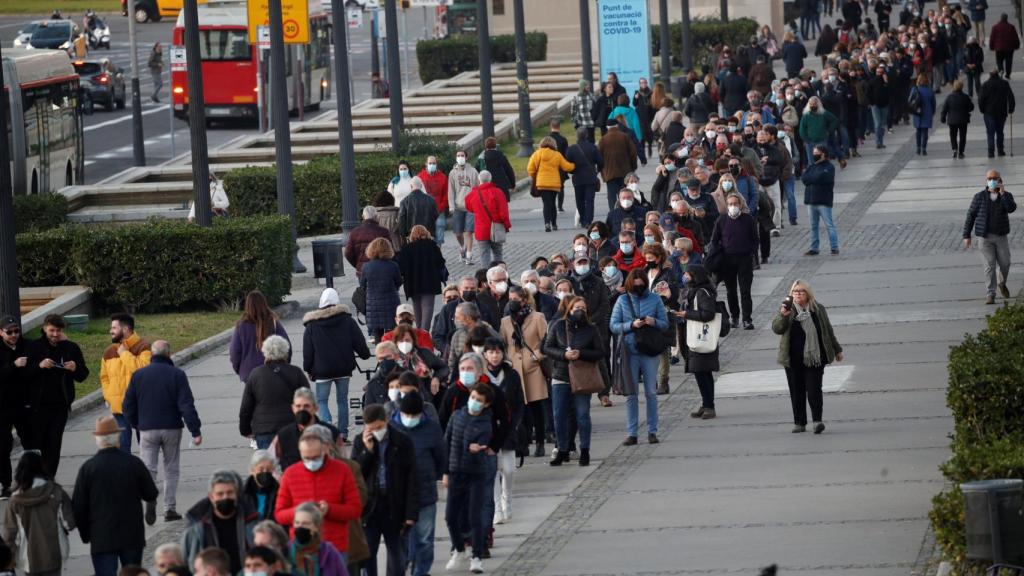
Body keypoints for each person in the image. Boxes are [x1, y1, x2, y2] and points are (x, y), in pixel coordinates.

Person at [122, 340, 202, 524]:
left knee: (149, 468)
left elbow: (127, 406)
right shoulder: (177, 374)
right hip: (172, 427)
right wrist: (195, 430)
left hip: (147, 428)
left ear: (152, 354)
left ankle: (150, 499)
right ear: (168, 354)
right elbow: (186, 405)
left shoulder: (138, 375)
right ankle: (169, 509)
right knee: (171, 469)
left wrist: (137, 423)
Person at [72, 416, 159, 576]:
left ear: (98, 439)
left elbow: (78, 507)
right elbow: (151, 493)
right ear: (117, 437)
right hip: (132, 535)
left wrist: (86, 534)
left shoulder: (88, 468)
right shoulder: (133, 463)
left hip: (102, 537)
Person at [275, 426, 362, 560]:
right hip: (302, 548)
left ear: (325, 450)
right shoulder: (290, 474)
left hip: (335, 547)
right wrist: (298, 512)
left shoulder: (342, 471)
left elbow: (355, 509)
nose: (311, 462)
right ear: (300, 453)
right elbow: (280, 514)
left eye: (315, 457)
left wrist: (330, 509)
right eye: (307, 457)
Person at [351, 405, 419, 576]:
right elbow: (354, 474)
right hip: (370, 508)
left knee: (397, 558)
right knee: (367, 556)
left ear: (386, 421)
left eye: (379, 427)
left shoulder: (402, 441)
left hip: (394, 506)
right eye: (370, 428)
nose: (375, 431)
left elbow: (412, 479)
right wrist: (367, 451)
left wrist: (411, 514)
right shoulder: (360, 441)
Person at [772, 280, 845, 434]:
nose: (798, 293)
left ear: (808, 293)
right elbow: (777, 329)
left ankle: (817, 421)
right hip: (792, 359)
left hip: (816, 358)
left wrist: (837, 349)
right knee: (796, 392)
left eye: (801, 291)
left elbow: (828, 330)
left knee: (814, 390)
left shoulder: (818, 309)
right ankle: (799, 423)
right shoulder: (787, 310)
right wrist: (783, 316)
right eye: (795, 291)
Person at [302, 288, 369, 441]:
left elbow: (308, 351)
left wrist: (308, 368)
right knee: (342, 400)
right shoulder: (347, 321)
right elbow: (359, 343)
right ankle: (343, 433)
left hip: (321, 371)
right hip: (343, 369)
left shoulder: (312, 325)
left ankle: (327, 431)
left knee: (322, 401)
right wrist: (365, 355)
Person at [610, 269, 668, 446]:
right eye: (635, 287)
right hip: (630, 350)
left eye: (641, 286)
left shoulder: (655, 299)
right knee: (631, 393)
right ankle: (632, 432)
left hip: (649, 350)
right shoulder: (622, 300)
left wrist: (653, 322)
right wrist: (631, 325)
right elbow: (613, 325)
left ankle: (652, 431)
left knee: (651, 392)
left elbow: (665, 324)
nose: (638, 289)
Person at [27, 314, 88, 476]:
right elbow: (24, 375)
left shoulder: (70, 348)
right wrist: (39, 366)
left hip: (60, 406)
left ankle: (49, 480)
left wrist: (75, 367)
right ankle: (36, 480)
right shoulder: (34, 347)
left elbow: (83, 376)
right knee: (38, 445)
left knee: (54, 444)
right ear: (44, 328)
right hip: (38, 407)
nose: (55, 334)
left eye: (58, 330)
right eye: (51, 330)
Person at [542, 296, 600, 466]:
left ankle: (585, 450)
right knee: (558, 415)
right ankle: (562, 449)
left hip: (582, 377)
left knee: (582, 415)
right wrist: (564, 355)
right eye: (576, 308)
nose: (580, 311)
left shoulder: (591, 329)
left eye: (583, 308)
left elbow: (600, 352)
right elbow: (546, 347)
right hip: (561, 375)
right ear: (569, 310)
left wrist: (581, 354)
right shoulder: (559, 325)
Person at [443, 382, 494, 574]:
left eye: (479, 401)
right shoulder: (457, 416)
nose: (474, 402)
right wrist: (445, 472)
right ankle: (458, 548)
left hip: (476, 474)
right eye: (473, 397)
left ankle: (477, 557)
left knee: (475, 517)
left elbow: (483, 441)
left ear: (486, 404)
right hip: (456, 472)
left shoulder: (485, 422)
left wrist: (476, 447)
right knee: (450, 517)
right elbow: (447, 443)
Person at [392, 392, 444, 576]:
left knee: (424, 539)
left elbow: (440, 458)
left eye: (415, 416)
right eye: (407, 415)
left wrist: (433, 476)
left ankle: (421, 572)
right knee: (401, 539)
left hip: (425, 491)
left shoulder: (431, 428)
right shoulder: (392, 427)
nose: (410, 419)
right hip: (398, 495)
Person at [2, 451, 75, 576]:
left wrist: (11, 557)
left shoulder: (15, 500)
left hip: (28, 557)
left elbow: (9, 534)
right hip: (54, 553)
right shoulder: (56, 491)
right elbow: (69, 523)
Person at [499, 286, 549, 457]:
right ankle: (524, 443)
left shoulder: (537, 317)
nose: (512, 302)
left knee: (536, 408)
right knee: (520, 409)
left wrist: (538, 355)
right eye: (510, 299)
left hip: (533, 367)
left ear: (525, 300)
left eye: (516, 299)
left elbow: (546, 341)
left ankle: (541, 442)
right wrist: (506, 361)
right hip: (514, 369)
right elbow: (503, 344)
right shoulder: (505, 321)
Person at [239, 335, 309, 449]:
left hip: (264, 429)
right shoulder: (296, 372)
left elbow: (246, 407)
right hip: (291, 427)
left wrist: (245, 429)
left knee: (270, 464)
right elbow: (307, 400)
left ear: (265, 352)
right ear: (285, 351)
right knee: (290, 463)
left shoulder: (256, 374)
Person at [963, 170, 1017, 304]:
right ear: (986, 180)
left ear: (1000, 180)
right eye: (989, 178)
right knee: (989, 265)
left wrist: (1003, 193)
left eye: (994, 178)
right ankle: (990, 293)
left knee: (1005, 263)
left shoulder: (1007, 195)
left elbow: (1011, 208)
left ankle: (1001, 282)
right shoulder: (979, 197)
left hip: (1001, 236)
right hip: (984, 237)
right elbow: (970, 215)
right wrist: (966, 235)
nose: (992, 180)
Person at [100, 312, 151, 453]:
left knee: (146, 447)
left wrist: (124, 354)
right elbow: (104, 378)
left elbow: (143, 370)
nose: (111, 331)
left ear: (126, 329)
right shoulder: (108, 352)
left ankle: (145, 474)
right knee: (122, 448)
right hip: (119, 409)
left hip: (140, 407)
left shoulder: (144, 347)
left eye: (114, 328)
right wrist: (109, 396)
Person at [675, 264, 721, 420]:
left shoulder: (702, 292)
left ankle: (709, 405)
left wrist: (687, 314)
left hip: (702, 336)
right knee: (700, 372)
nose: (685, 276)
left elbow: (708, 314)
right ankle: (706, 403)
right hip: (694, 335)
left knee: (703, 372)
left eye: (688, 274)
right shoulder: (693, 290)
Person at [711, 193, 759, 330]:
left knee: (745, 291)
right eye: (730, 204)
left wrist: (752, 254)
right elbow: (714, 240)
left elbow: (755, 239)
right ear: (727, 206)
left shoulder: (748, 219)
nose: (733, 206)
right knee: (731, 291)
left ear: (740, 205)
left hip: (744, 259)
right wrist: (717, 253)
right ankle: (735, 317)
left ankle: (747, 319)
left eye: (735, 204)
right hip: (728, 260)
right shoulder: (721, 220)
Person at [272, 387, 343, 470]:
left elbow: (342, 461)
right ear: (293, 408)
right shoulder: (283, 435)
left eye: (306, 406)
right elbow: (272, 463)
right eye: (298, 406)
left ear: (315, 408)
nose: (302, 410)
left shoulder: (331, 432)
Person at [395, 226, 446, 335]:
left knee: (416, 305)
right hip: (430, 281)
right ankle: (424, 331)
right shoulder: (432, 246)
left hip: (413, 282)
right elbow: (441, 263)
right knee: (428, 306)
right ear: (426, 233)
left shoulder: (407, 248)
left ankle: (418, 330)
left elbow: (401, 267)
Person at [230, 291, 290, 383]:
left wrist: (240, 369)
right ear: (264, 304)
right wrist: (284, 365)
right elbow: (286, 346)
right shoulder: (273, 323)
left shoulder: (240, 326)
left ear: (247, 306)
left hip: (250, 373)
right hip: (272, 372)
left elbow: (234, 353)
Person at [0, 315, 30, 498]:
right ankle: (5, 483)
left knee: (31, 443)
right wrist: (13, 365)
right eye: (9, 332)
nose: (13, 335)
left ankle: (30, 480)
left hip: (23, 404)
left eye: (16, 331)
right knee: (3, 446)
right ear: (1, 332)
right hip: (2, 406)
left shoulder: (26, 346)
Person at [528, 137, 575, 232]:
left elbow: (530, 169)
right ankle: (554, 224)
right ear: (553, 144)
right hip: (554, 184)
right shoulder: (557, 155)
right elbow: (567, 167)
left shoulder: (537, 154)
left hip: (542, 183)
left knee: (546, 203)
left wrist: (535, 176)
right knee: (553, 203)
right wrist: (574, 165)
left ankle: (547, 224)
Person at [286, 503, 348, 576]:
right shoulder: (286, 551)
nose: (300, 527)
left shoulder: (329, 552)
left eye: (305, 524)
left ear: (316, 527)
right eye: (297, 523)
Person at [361, 238, 403, 342]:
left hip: (373, 305)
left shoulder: (366, 266)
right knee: (391, 334)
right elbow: (399, 282)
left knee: (377, 335)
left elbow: (363, 285)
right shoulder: (393, 265)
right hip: (391, 302)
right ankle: (391, 355)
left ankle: (380, 356)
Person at [464, 171, 512, 264]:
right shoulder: (498, 192)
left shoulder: (472, 194)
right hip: (496, 229)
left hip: (481, 229)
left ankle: (485, 276)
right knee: (498, 253)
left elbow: (469, 207)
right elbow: (504, 213)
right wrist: (506, 226)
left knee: (484, 254)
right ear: (490, 180)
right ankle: (499, 275)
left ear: (479, 180)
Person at [801, 145, 839, 256]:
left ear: (823, 154)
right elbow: (804, 179)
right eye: (814, 152)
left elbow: (819, 178)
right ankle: (814, 248)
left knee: (829, 225)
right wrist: (813, 178)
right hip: (811, 201)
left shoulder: (829, 167)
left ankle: (834, 247)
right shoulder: (812, 166)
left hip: (823, 201)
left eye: (816, 153)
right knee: (813, 226)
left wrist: (812, 178)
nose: (814, 155)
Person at [565, 127, 604, 229]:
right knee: (590, 200)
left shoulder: (572, 149)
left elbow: (567, 164)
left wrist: (572, 171)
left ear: (577, 136)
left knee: (580, 200)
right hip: (590, 177)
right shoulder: (592, 147)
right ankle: (588, 220)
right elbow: (601, 161)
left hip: (578, 178)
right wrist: (597, 171)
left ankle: (582, 219)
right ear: (587, 135)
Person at [449, 150, 481, 265]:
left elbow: (478, 188)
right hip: (458, 206)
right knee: (458, 233)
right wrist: (451, 206)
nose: (460, 157)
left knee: (468, 232)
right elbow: (451, 191)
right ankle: (462, 247)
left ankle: (469, 255)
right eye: (458, 156)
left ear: (466, 158)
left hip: (471, 207)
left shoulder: (473, 172)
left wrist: (478, 204)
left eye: (462, 155)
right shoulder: (452, 173)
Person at [598, 123, 639, 212]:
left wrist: (601, 170)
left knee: (612, 196)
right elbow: (633, 153)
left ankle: (614, 212)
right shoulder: (625, 137)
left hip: (610, 173)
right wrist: (633, 167)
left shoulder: (603, 139)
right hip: (625, 172)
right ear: (617, 126)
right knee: (626, 193)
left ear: (607, 127)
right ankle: (626, 210)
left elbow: (598, 157)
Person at [345, 207, 392, 278]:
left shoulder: (355, 232)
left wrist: (358, 264)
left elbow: (348, 253)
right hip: (381, 269)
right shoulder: (384, 231)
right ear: (376, 216)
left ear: (363, 217)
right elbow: (390, 251)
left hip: (362, 269)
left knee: (364, 288)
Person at [979, 69, 1016, 158]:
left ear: (990, 75)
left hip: (989, 112)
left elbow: (981, 99)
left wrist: (982, 110)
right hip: (1001, 112)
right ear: (998, 75)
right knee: (1000, 131)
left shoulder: (985, 85)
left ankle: (991, 151)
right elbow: (1011, 97)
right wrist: (1011, 108)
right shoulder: (1004, 83)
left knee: (990, 132)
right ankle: (1000, 150)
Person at [397, 177, 439, 244]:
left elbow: (401, 220)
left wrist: (404, 235)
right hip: (428, 235)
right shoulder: (431, 200)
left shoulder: (404, 201)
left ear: (411, 186)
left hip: (412, 236)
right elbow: (436, 216)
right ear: (421, 186)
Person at [418, 155, 449, 243]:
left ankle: (438, 251)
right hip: (425, 211)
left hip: (439, 210)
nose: (432, 165)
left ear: (437, 164)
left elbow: (446, 194)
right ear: (426, 164)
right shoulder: (420, 177)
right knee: (427, 234)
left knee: (440, 232)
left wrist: (441, 207)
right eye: (430, 163)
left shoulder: (442, 177)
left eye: (434, 163)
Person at [941, 79, 974, 160]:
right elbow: (971, 107)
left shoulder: (949, 97)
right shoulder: (965, 97)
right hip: (963, 119)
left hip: (952, 120)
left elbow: (944, 108)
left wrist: (943, 117)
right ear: (962, 87)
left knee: (953, 135)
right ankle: (961, 152)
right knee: (963, 136)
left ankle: (954, 149)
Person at [242, 450, 279, 523]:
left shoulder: (279, 491)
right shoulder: (243, 493)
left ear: (273, 470)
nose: (265, 472)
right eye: (260, 469)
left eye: (268, 469)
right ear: (252, 471)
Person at [910, 74, 937, 155]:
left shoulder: (914, 89)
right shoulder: (930, 91)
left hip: (917, 112)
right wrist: (932, 112)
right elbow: (933, 104)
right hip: (927, 113)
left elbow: (910, 100)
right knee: (925, 132)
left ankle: (918, 148)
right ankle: (924, 148)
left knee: (918, 131)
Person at [989, 13, 1020, 78]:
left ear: (1001, 18)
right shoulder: (1011, 27)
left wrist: (991, 46)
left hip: (999, 48)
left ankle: (1001, 70)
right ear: (1007, 18)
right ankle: (1008, 74)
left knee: (999, 61)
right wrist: (1017, 45)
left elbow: (992, 38)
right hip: (1009, 48)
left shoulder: (995, 27)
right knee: (1009, 61)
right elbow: (1015, 37)